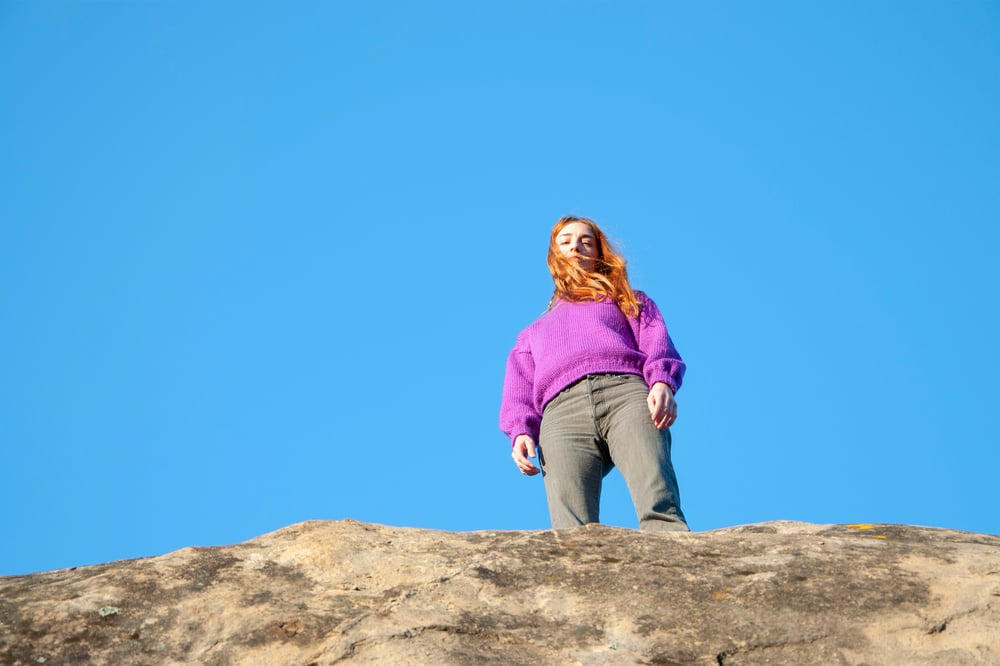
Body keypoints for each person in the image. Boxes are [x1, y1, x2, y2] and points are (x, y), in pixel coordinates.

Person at [499, 215, 688, 531]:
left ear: (598, 251)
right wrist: (520, 431)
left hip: (625, 394)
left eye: (586, 240)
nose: (576, 245)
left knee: (658, 502)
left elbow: (656, 340)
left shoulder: (627, 299)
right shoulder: (531, 334)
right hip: (560, 415)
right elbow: (518, 386)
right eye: (566, 240)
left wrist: (661, 381)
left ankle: (677, 566)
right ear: (553, 255)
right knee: (571, 530)